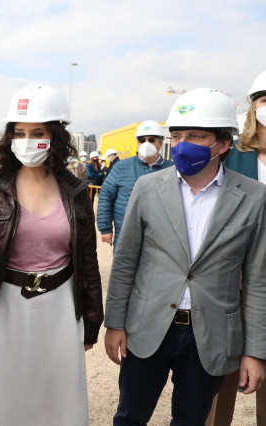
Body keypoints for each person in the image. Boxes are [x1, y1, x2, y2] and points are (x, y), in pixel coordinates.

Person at [104, 88, 266, 425]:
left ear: (223, 144)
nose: (181, 144)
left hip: (209, 335)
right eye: (176, 135)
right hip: (148, 328)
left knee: (191, 420)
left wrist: (254, 352)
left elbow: (256, 280)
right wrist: (115, 323)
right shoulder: (148, 189)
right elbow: (125, 261)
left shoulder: (253, 197)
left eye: (195, 135)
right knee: (129, 416)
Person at [0, 81, 104, 426]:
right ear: (9, 136)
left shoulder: (76, 190)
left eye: (37, 131)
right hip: (3, 302)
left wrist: (92, 322)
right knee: (1, 391)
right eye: (19, 132)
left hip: (60, 305)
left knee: (55, 393)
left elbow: (88, 260)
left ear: (55, 135)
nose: (27, 140)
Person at [205, 70, 266, 426]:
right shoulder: (233, 156)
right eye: (264, 99)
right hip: (234, 283)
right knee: (220, 378)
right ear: (253, 107)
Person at [96, 120, 173, 247]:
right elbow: (105, 196)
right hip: (126, 235)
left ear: (160, 142)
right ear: (137, 143)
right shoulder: (121, 167)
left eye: (151, 140)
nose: (146, 143)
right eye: (142, 140)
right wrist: (105, 228)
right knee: (124, 266)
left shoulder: (172, 169)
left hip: (160, 238)